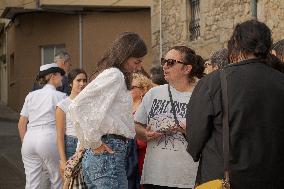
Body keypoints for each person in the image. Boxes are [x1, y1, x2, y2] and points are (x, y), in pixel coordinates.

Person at [186, 20, 284, 189]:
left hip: (226, 179)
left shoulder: (213, 82)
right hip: (274, 177)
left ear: (236, 44)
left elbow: (195, 135)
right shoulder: (280, 80)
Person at [69, 32, 147, 188]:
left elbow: (113, 119)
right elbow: (78, 105)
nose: (139, 67)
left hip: (105, 152)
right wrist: (94, 142)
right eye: (137, 61)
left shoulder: (114, 74)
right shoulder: (115, 75)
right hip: (108, 152)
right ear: (125, 55)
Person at [135, 46, 204, 189]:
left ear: (187, 69)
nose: (164, 66)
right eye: (164, 61)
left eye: (171, 62)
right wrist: (145, 133)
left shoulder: (202, 95)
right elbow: (135, 125)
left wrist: (189, 131)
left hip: (188, 178)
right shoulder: (153, 93)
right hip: (154, 177)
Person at [18, 63, 66, 189]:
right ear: (52, 76)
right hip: (49, 138)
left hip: (29, 139)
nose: (62, 78)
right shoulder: (61, 97)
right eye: (60, 75)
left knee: (32, 183)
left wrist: (26, 142)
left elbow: (22, 123)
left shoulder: (30, 95)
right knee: (57, 179)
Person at [55, 68, 87, 178]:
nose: (82, 83)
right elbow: (59, 136)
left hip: (87, 145)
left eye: (84, 80)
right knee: (70, 183)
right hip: (71, 146)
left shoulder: (88, 103)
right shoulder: (62, 105)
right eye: (78, 80)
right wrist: (63, 162)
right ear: (70, 83)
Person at [127, 73, 154, 189]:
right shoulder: (125, 108)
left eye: (132, 87)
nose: (128, 90)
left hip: (140, 158)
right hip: (127, 157)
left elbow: (145, 139)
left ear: (143, 90)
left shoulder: (146, 110)